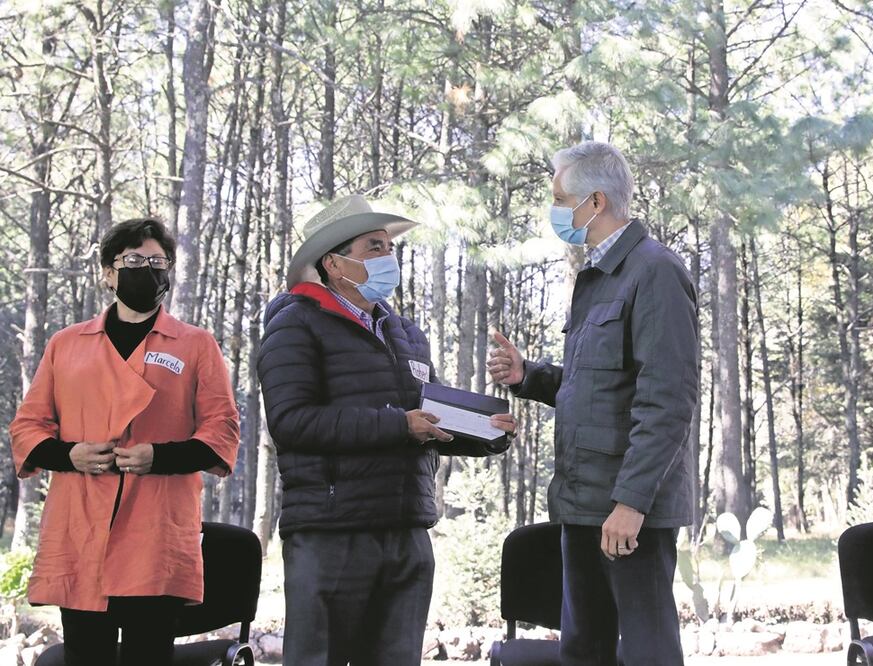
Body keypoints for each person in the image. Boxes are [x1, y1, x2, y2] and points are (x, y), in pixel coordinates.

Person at [257, 194, 515, 666]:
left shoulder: (405, 333)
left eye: (390, 248)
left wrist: (485, 432)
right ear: (335, 264)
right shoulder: (294, 325)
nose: (389, 257)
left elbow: (427, 417)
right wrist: (400, 426)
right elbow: (291, 422)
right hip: (332, 533)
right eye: (375, 246)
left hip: (406, 531)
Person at [487, 141, 698, 665]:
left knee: (646, 652)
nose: (555, 210)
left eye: (560, 198)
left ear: (596, 202)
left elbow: (667, 401)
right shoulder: (598, 278)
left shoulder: (654, 272)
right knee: (584, 651)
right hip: (583, 505)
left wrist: (631, 503)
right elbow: (597, 390)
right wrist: (528, 376)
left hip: (628, 512)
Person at [9, 217, 240, 666]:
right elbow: (27, 426)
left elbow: (222, 430)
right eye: (134, 260)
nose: (147, 269)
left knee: (148, 656)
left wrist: (159, 457)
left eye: (158, 261)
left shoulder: (195, 345)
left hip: (155, 528)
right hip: (80, 527)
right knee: (85, 656)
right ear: (108, 273)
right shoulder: (66, 344)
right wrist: (69, 454)